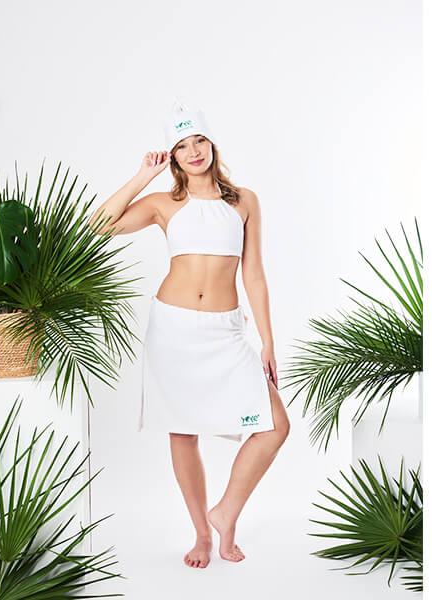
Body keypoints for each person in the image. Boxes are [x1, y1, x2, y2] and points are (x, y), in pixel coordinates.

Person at [89, 98, 290, 569]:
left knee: (275, 425)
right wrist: (144, 176)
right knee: (182, 433)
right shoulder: (164, 204)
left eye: (199, 140)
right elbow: (99, 226)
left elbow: (254, 275)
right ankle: (202, 534)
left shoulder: (243, 201)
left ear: (212, 144)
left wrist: (267, 340)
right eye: (182, 145)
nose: (194, 151)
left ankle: (225, 513)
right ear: (173, 156)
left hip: (225, 331)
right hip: (173, 330)